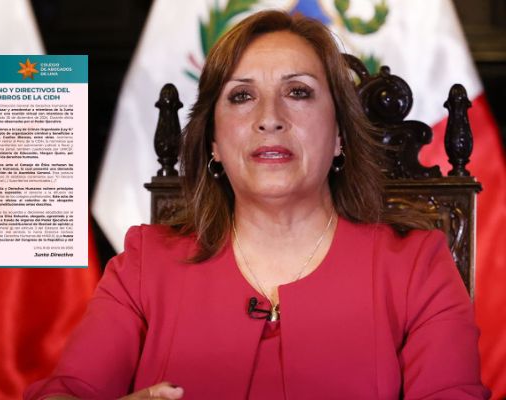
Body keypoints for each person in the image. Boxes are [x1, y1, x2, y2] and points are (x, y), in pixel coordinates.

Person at [25, 10, 489, 400]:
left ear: (340, 136)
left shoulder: (418, 267)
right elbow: (67, 392)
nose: (269, 118)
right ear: (213, 142)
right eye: (242, 96)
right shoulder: (145, 265)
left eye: (298, 92)